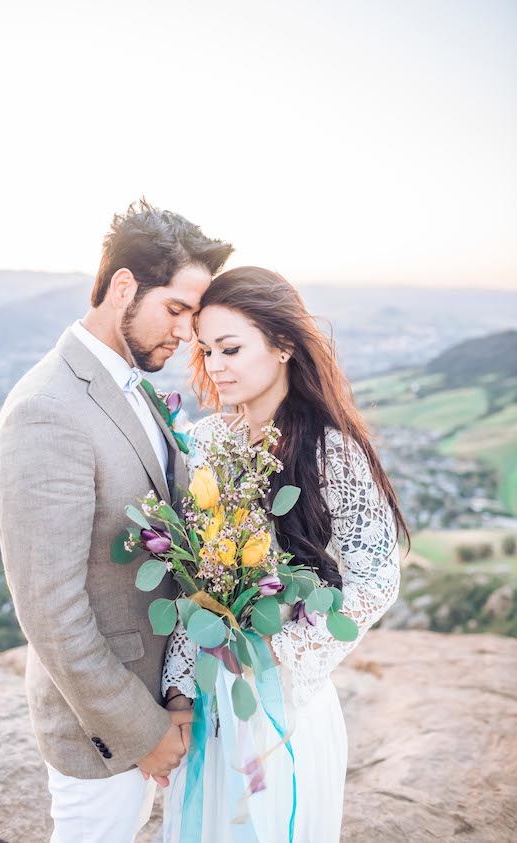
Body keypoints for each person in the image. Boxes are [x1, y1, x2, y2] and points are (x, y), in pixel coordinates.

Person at [0, 199, 233, 842]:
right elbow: (50, 609)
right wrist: (143, 730)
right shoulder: (48, 408)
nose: (186, 335)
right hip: (102, 731)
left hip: (162, 701)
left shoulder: (132, 382)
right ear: (123, 286)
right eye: (176, 310)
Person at [161, 267, 408, 842]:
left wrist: (280, 647)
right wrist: (178, 688)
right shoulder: (204, 442)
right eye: (206, 350)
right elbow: (187, 577)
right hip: (208, 695)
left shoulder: (332, 451)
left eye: (230, 348)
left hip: (286, 698)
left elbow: (375, 578)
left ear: (283, 346)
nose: (215, 365)